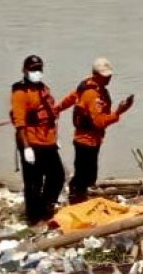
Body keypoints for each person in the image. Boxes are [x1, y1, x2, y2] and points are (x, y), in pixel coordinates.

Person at [56, 57, 134, 204]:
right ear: (95, 74)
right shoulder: (93, 95)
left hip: (91, 140)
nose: (108, 79)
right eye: (105, 76)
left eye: (109, 76)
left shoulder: (88, 87)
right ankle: (76, 198)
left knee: (86, 174)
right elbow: (99, 122)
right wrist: (118, 112)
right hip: (86, 140)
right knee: (85, 176)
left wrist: (57, 108)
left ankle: (78, 195)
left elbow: (72, 97)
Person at [10, 55, 65, 225]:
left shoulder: (43, 89)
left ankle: (46, 206)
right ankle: (33, 218)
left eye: (39, 69)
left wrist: (56, 138)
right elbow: (20, 124)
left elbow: (51, 115)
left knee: (57, 176)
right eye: (33, 69)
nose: (37, 72)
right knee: (33, 182)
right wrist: (26, 148)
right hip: (31, 141)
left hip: (48, 141)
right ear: (25, 70)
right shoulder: (20, 93)